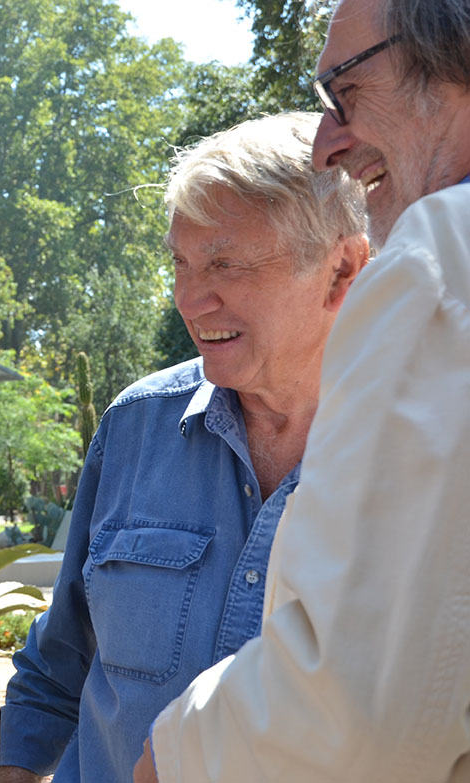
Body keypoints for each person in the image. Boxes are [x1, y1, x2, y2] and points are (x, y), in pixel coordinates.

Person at [134, 0, 470, 780]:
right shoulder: (135, 425)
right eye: (181, 266)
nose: (327, 144)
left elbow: (354, 710)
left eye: (344, 91)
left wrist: (171, 753)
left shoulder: (440, 259)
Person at [0, 111, 369, 783]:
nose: (189, 299)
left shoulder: (421, 453)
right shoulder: (134, 424)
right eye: (180, 262)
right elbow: (59, 660)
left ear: (340, 269)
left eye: (225, 263)